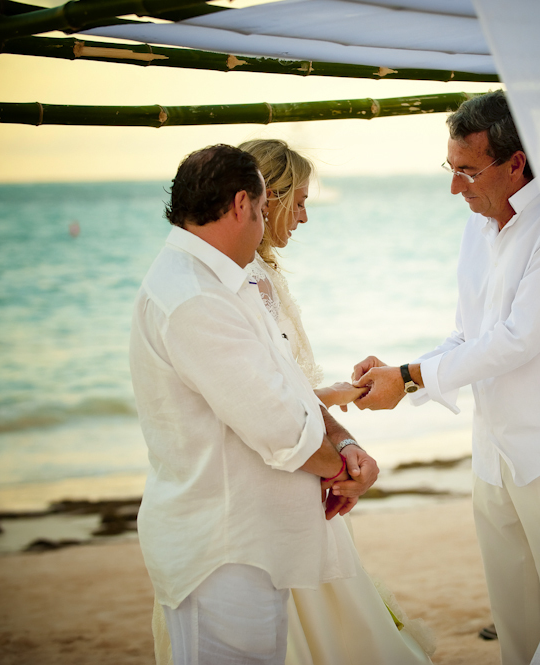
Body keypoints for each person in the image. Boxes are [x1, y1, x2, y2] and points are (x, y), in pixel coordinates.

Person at [351, 91, 540, 665]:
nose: (456, 187)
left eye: (468, 171)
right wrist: (399, 374)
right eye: (451, 170)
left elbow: (518, 339)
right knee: (519, 630)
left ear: (516, 162)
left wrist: (411, 378)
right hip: (493, 459)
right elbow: (467, 337)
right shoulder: (478, 226)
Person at [148, 140, 435, 665]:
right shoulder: (194, 298)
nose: (276, 223)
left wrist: (347, 444)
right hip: (225, 546)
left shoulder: (228, 282)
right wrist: (344, 470)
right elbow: (275, 422)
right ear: (245, 205)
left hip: (261, 538)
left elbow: (283, 388)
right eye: (265, 209)